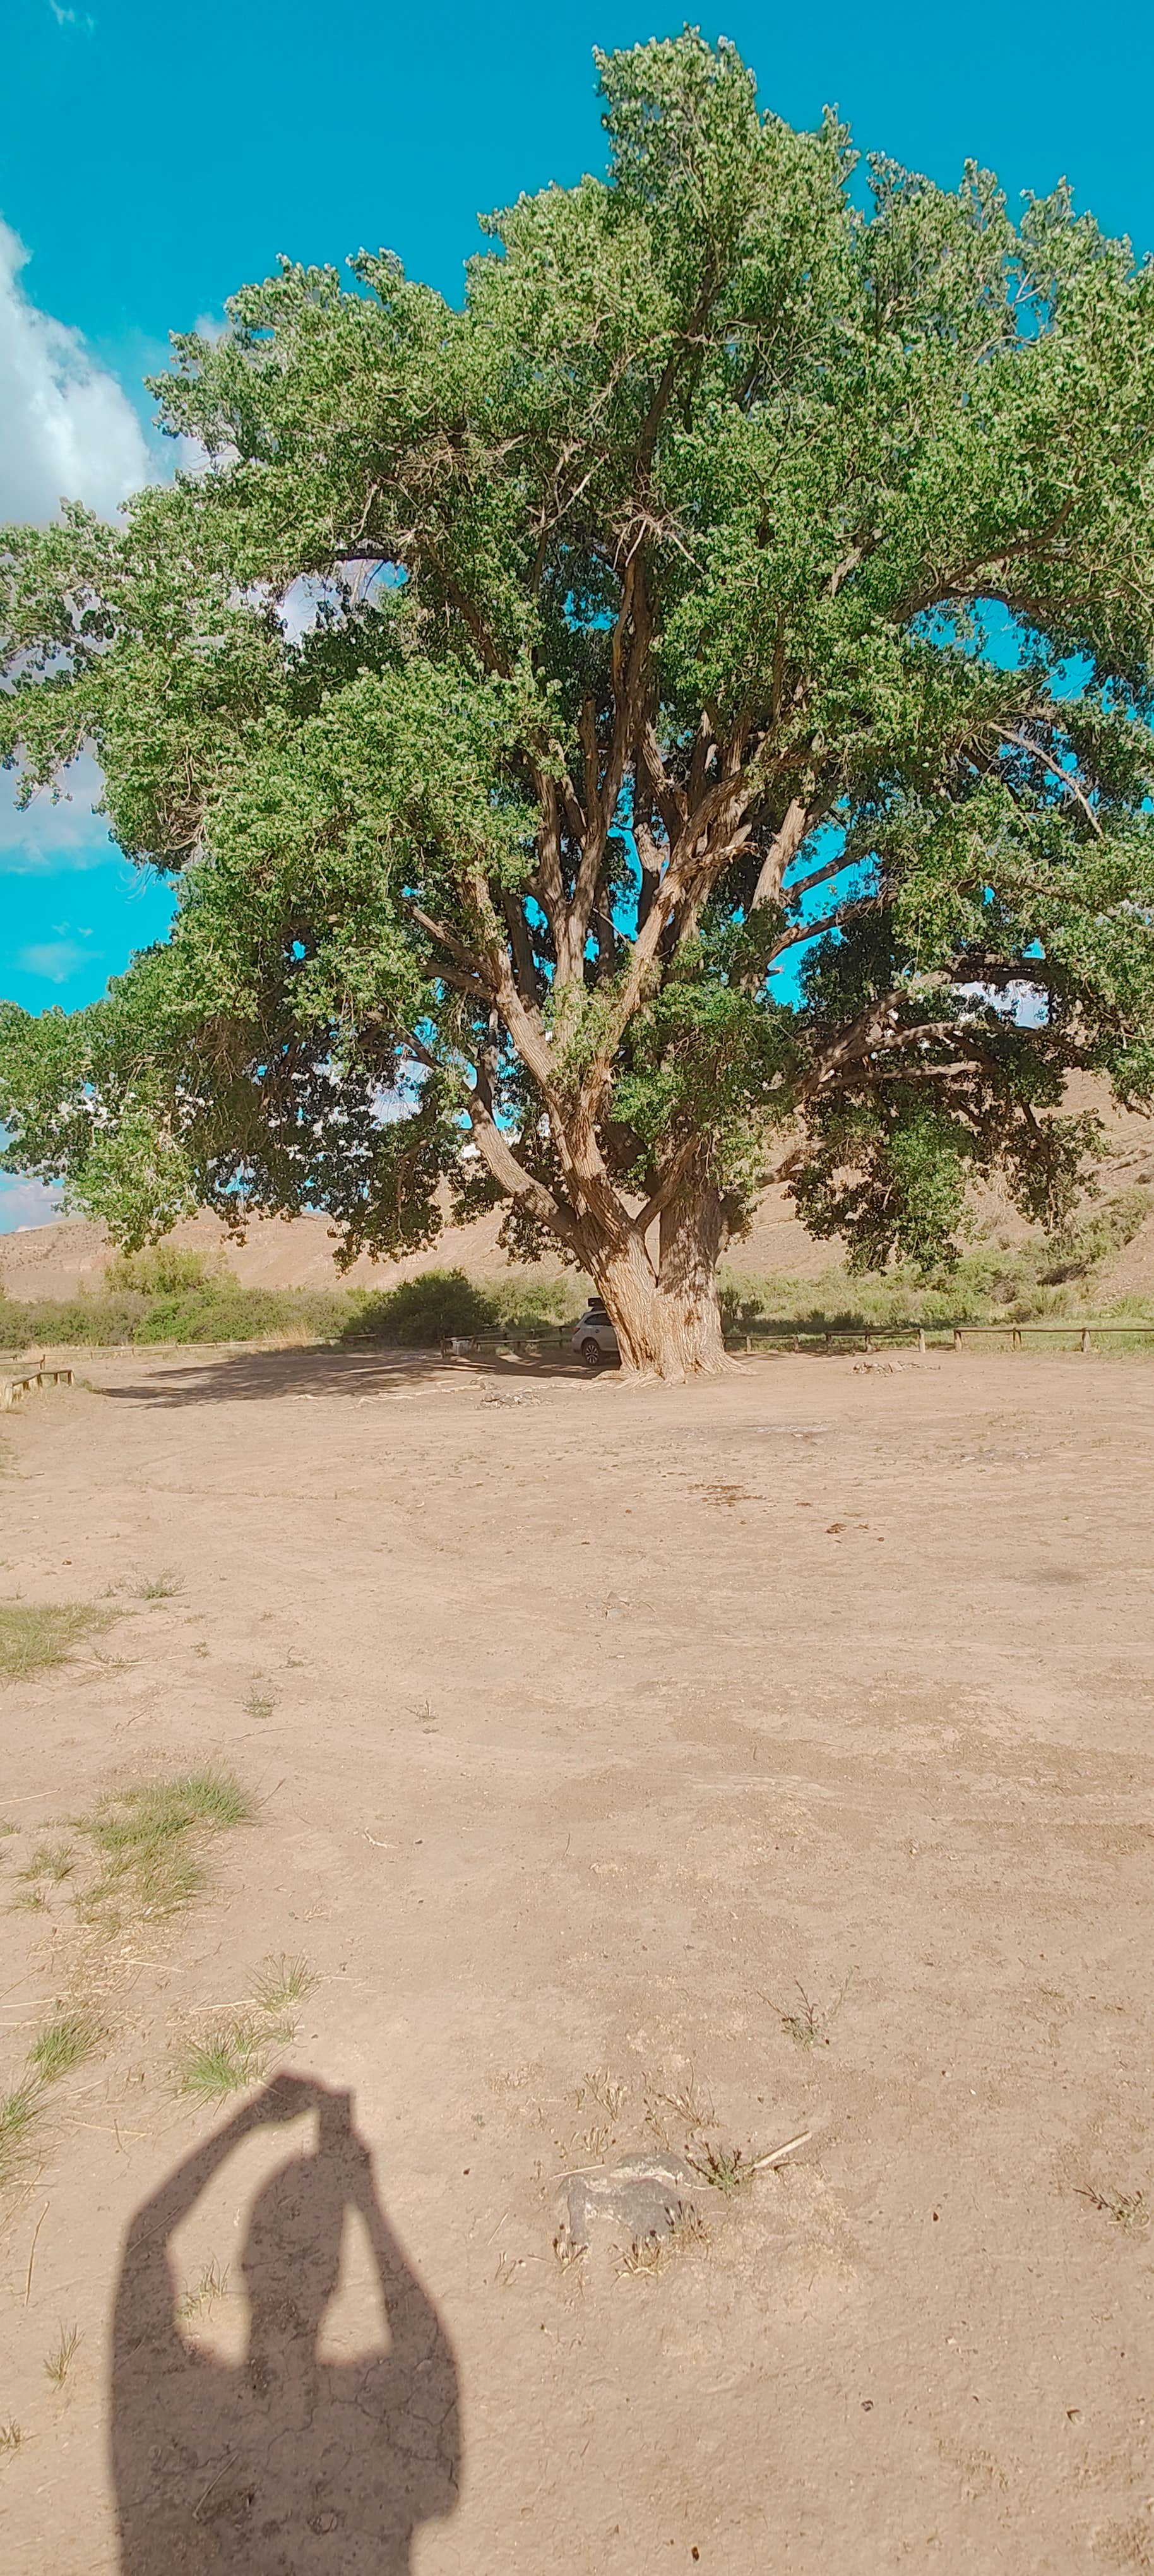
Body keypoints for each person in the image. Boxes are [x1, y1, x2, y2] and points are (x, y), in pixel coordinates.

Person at [110, 2074, 460, 2572]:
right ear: (336, 2281)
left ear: (245, 2268)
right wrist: (369, 2205)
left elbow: (143, 2241)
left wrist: (244, 2124)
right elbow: (429, 2350)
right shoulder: (360, 2413)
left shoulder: (200, 2410)